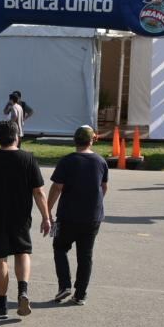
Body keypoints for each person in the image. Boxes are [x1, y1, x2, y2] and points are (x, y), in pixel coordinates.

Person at [0, 120, 51, 319]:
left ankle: (2, 305)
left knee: (0, 259)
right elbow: (39, 192)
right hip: (21, 217)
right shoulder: (28, 159)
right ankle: (23, 291)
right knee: (22, 252)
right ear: (17, 136)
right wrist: (46, 217)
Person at [47, 126, 109, 306]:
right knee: (85, 255)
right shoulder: (100, 161)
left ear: (75, 140)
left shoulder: (67, 161)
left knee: (59, 247)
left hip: (67, 216)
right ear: (92, 140)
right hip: (93, 217)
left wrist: (48, 210)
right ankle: (80, 294)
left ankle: (64, 285)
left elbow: (57, 187)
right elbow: (104, 187)